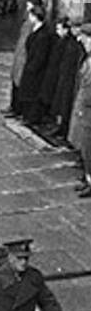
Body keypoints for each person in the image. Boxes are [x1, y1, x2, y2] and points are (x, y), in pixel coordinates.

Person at [67, 22, 91, 197]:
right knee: (85, 148)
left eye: (85, 39)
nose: (82, 42)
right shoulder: (88, 58)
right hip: (83, 111)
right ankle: (87, 178)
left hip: (89, 113)